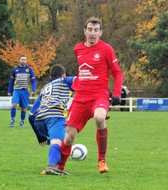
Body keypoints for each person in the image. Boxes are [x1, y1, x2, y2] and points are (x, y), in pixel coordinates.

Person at [55, 17, 123, 175]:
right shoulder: (77, 48)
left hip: (99, 95)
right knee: (69, 137)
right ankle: (60, 168)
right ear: (84, 31)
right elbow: (84, 71)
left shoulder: (106, 49)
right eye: (90, 30)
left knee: (100, 118)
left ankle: (101, 160)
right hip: (80, 97)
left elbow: (117, 72)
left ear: (101, 32)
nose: (93, 33)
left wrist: (117, 93)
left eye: (96, 30)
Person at [28, 64, 75, 175]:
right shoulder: (65, 81)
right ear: (63, 75)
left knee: (63, 140)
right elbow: (80, 79)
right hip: (55, 116)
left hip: (39, 121)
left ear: (50, 77)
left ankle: (56, 158)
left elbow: (31, 116)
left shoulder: (45, 88)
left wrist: (40, 136)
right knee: (58, 142)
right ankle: (51, 166)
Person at [8, 55, 36, 127]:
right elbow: (11, 80)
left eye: (25, 60)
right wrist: (9, 91)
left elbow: (33, 80)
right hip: (16, 90)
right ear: (19, 60)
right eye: (22, 59)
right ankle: (12, 120)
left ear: (26, 61)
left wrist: (33, 90)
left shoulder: (29, 70)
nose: (23, 61)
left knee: (23, 108)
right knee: (14, 104)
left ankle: (22, 121)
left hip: (25, 91)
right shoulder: (15, 69)